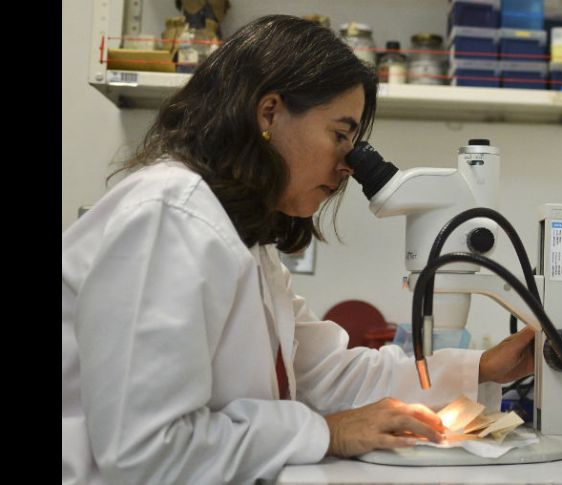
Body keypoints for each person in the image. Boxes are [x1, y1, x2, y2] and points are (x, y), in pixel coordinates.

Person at [62, 14, 535, 484]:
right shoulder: (170, 217)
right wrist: (325, 433)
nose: (349, 165)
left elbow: (327, 374)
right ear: (269, 113)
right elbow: (146, 452)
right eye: (339, 135)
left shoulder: (244, 243)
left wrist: (481, 369)